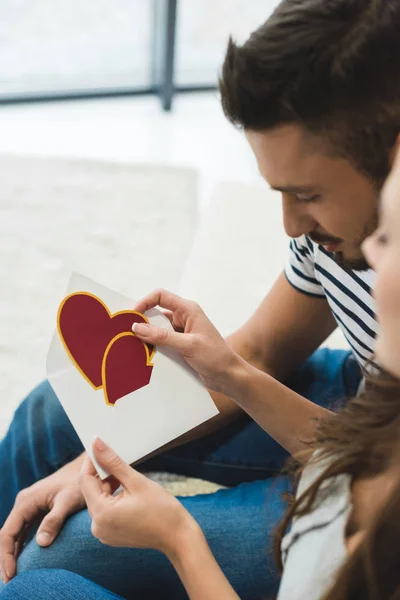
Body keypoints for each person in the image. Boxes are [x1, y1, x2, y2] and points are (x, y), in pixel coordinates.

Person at [1, 0, 400, 597]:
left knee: (58, 549)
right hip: (368, 404)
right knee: (51, 415)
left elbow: (372, 478)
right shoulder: (337, 235)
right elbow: (263, 349)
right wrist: (231, 374)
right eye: (279, 191)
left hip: (377, 490)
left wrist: (175, 533)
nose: (291, 225)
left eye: (307, 194)